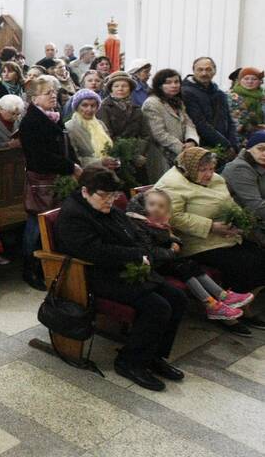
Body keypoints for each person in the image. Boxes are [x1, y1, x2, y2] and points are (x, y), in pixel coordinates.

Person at [54, 166, 188, 391]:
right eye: (104, 196)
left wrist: (142, 249)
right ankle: (129, 362)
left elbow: (130, 231)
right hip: (95, 275)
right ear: (86, 191)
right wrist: (137, 254)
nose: (110, 201)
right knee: (158, 307)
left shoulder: (105, 207)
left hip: (123, 268)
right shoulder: (74, 215)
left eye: (114, 196)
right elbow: (94, 252)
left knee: (178, 298)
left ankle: (153, 356)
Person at [154, 147, 265, 331]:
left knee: (259, 256)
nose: (208, 174)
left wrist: (238, 222)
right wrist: (211, 226)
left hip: (224, 236)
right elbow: (174, 217)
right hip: (195, 241)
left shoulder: (216, 179)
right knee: (246, 263)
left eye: (211, 169)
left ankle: (242, 307)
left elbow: (229, 203)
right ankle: (225, 314)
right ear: (188, 168)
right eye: (203, 170)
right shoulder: (171, 184)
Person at [126, 188, 252, 321]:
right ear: (144, 206)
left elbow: (171, 237)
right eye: (152, 204)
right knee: (183, 268)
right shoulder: (140, 224)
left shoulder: (159, 223)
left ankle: (223, 296)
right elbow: (149, 250)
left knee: (191, 264)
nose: (156, 209)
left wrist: (175, 242)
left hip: (166, 258)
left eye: (161, 206)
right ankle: (211, 305)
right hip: (152, 263)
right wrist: (171, 251)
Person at [19, 75, 81, 290]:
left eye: (54, 91)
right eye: (47, 92)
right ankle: (30, 268)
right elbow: (40, 156)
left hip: (58, 177)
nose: (53, 95)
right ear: (35, 98)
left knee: (53, 223)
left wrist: (73, 164)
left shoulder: (53, 117)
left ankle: (49, 265)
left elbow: (65, 145)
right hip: (41, 180)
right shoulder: (31, 122)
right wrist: (70, 167)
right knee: (36, 225)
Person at [142, 68, 200, 181]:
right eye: (168, 83)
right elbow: (159, 134)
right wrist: (183, 149)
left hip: (182, 153)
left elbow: (189, 124)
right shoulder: (152, 103)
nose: (174, 85)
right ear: (159, 85)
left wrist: (191, 141)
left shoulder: (178, 102)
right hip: (162, 154)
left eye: (176, 82)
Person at [182, 57, 239, 156]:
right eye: (200, 69)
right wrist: (226, 145)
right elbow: (199, 123)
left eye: (208, 69)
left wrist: (233, 145)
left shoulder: (219, 93)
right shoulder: (186, 92)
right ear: (193, 71)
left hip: (224, 147)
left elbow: (229, 121)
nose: (204, 73)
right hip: (202, 147)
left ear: (214, 71)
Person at [64, 89, 121, 170]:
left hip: (108, 171)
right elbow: (74, 159)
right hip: (87, 174)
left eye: (93, 105)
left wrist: (114, 161)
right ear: (77, 107)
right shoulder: (70, 127)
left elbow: (111, 149)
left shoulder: (101, 124)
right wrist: (99, 162)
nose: (89, 109)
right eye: (84, 105)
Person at [223, 130, 265, 236]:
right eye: (260, 149)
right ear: (249, 149)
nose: (264, 153)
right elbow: (256, 207)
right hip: (237, 227)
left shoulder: (258, 163)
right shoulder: (240, 168)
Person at [228, 67, 264, 147]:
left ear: (260, 82)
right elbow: (235, 122)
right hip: (237, 137)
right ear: (240, 81)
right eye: (246, 78)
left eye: (254, 79)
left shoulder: (262, 98)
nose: (250, 82)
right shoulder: (232, 97)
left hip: (259, 137)